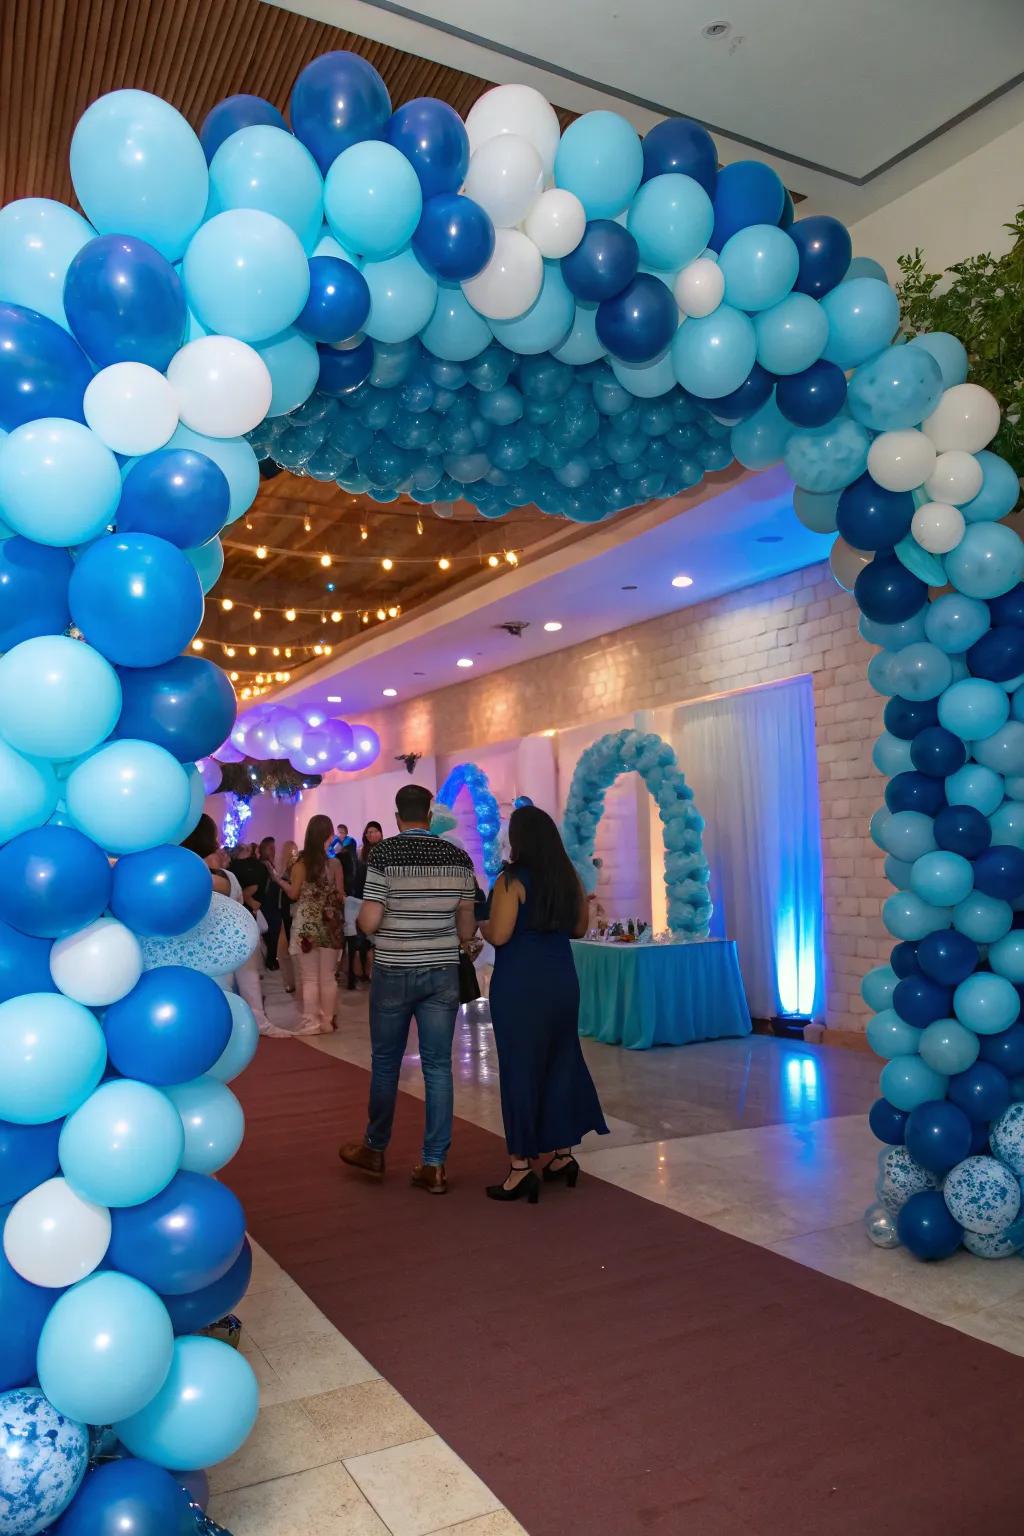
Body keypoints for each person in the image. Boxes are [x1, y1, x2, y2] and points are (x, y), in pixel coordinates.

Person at [339, 785, 477, 1196]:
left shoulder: (383, 855)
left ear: (398, 817)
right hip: (442, 973)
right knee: (438, 1067)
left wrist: (375, 918)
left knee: (386, 1063)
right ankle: (434, 1164)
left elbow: (368, 922)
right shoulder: (458, 856)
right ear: (430, 816)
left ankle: (375, 1149)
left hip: (396, 969)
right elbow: (466, 927)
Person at [481, 805, 608, 1204]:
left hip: (521, 984)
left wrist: (477, 923)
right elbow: (578, 928)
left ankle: (521, 1168)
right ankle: (562, 1156)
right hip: (561, 981)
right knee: (560, 1062)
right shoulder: (567, 878)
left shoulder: (511, 880)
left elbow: (500, 935)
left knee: (521, 1068)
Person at [182, 815, 287, 1038]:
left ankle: (250, 1020)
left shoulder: (213, 877)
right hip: (211, 948)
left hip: (215, 947)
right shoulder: (199, 874)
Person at [275, 814, 345, 1036]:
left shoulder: (299, 863)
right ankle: (327, 1021)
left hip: (306, 924)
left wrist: (281, 883)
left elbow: (294, 894)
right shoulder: (334, 864)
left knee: (309, 978)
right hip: (329, 922)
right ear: (329, 836)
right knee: (328, 976)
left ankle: (311, 1022)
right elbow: (341, 895)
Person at [343, 820, 383, 990]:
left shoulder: (385, 851)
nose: (371, 834)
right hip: (361, 899)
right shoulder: (361, 854)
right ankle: (360, 971)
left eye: (374, 831)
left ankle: (373, 970)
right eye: (369, 832)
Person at [258, 836, 282, 970]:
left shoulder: (271, 864)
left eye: (274, 848)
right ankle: (270, 960)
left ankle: (272, 959)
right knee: (270, 932)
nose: (273, 851)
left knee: (275, 932)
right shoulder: (262, 865)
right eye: (270, 848)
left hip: (273, 904)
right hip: (267, 904)